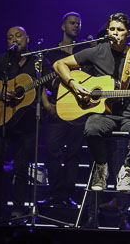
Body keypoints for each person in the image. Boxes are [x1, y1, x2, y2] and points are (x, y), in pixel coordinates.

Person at [52, 12, 130, 227]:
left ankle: (126, 170)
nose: (115, 33)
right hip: (105, 114)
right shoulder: (98, 51)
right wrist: (73, 84)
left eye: (119, 30)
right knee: (90, 129)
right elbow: (59, 64)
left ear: (129, 33)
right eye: (112, 29)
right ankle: (101, 167)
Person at [0, 26, 49, 222]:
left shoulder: (39, 62)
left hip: (27, 124)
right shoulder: (3, 60)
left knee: (22, 168)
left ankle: (18, 211)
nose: (14, 39)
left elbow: (51, 84)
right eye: (9, 37)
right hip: (2, 122)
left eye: (18, 36)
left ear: (27, 38)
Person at [40, 12, 85, 209]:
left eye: (78, 23)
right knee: (51, 151)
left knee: (73, 155)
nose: (76, 26)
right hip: (56, 110)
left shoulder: (84, 51)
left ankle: (68, 195)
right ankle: (55, 193)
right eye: (72, 23)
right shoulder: (50, 53)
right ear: (63, 26)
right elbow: (41, 81)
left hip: (79, 110)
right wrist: (46, 105)